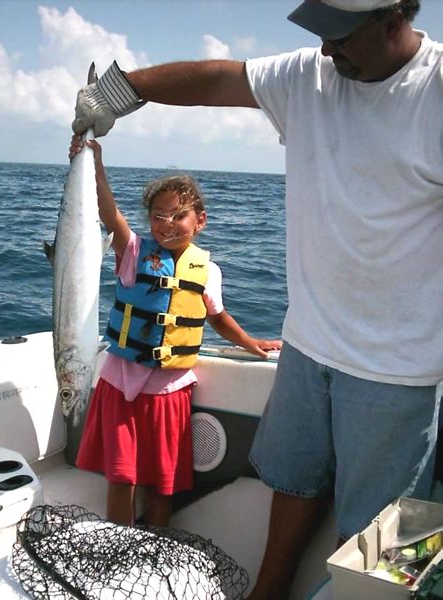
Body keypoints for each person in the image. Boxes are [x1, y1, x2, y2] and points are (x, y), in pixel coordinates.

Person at [72, 1, 443, 597]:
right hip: (306, 348)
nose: (325, 49)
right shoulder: (310, 75)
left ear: (393, 17)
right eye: (319, 33)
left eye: (339, 34)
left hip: (399, 373)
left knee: (385, 541)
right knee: (292, 484)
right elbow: (220, 80)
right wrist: (123, 90)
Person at [71, 134, 282, 529]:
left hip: (170, 390)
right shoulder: (133, 252)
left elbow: (218, 318)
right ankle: (119, 545)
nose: (167, 224)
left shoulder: (208, 270)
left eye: (178, 215)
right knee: (122, 478)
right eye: (158, 216)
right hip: (120, 385)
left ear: (200, 220)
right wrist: (93, 165)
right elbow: (109, 213)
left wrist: (251, 343)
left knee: (162, 484)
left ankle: (155, 543)